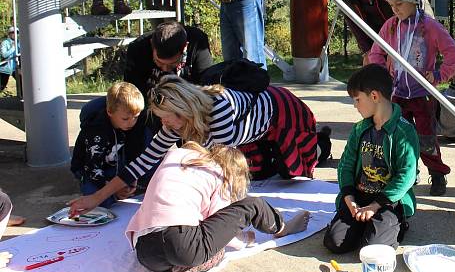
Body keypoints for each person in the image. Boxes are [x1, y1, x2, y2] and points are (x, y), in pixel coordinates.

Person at [68, 74, 318, 216]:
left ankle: (321, 145)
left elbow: (223, 166)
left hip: (281, 110)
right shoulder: (175, 122)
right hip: (246, 133)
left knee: (291, 169)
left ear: (184, 110)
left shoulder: (217, 109)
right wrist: (97, 197)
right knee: (263, 169)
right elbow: (145, 161)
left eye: (167, 116)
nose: (164, 124)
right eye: (161, 117)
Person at [126, 142, 310, 272]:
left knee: (189, 234)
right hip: (181, 245)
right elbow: (220, 222)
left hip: (145, 253)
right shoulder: (218, 172)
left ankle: (179, 264)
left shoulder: (178, 157)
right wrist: (245, 239)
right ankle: (282, 228)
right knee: (252, 204)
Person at [367, 0, 455, 196]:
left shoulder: (430, 27)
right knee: (399, 136)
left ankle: (437, 174)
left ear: (413, 1)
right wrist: (383, 78)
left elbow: (453, 55)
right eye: (391, 5)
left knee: (426, 138)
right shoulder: (390, 27)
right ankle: (408, 173)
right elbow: (376, 53)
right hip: (397, 94)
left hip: (422, 94)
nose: (395, 10)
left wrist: (438, 75)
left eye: (399, 4)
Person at [323, 64, 419, 253]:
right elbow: (346, 165)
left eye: (357, 99)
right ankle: (364, 225)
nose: (355, 105)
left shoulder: (404, 132)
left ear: (374, 96)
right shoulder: (360, 129)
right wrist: (349, 199)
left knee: (371, 249)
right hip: (359, 196)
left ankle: (397, 225)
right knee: (334, 242)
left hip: (388, 201)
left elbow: (407, 175)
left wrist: (375, 206)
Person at [70, 82, 152, 207]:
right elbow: (92, 168)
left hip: (117, 165)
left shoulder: (134, 125)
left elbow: (137, 152)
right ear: (110, 112)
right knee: (102, 203)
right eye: (125, 119)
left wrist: (132, 178)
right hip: (92, 170)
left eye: (135, 117)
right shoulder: (97, 131)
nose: (131, 122)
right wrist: (113, 188)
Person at [124, 20, 213, 101]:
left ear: (185, 47)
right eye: (159, 62)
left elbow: (206, 88)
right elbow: (133, 95)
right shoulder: (137, 49)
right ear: (152, 45)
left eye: (172, 64)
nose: (165, 69)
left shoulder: (197, 43)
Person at [0, 26, 19, 93]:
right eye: (13, 32)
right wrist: (13, 48)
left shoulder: (18, 42)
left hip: (15, 68)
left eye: (17, 32)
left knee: (23, 84)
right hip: (5, 69)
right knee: (1, 86)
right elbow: (4, 55)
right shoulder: (5, 43)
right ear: (9, 34)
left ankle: (24, 99)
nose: (15, 34)